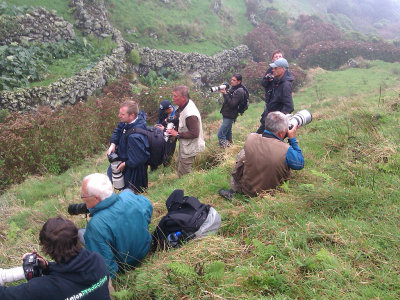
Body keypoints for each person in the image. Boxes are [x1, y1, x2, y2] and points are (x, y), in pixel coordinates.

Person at [0, 217, 111, 300]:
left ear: (46, 249)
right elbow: (72, 275)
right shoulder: (97, 260)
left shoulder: (42, 288)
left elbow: (4, 295)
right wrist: (47, 266)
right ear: (77, 238)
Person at [79, 173, 153, 278]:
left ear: (96, 198)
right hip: (146, 248)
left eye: (84, 197)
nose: (83, 199)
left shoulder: (96, 225)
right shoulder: (128, 196)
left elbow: (106, 268)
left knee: (80, 233)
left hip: (127, 264)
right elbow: (148, 207)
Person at [219, 111, 304, 199]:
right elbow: (300, 164)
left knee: (243, 153)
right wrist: (292, 139)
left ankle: (234, 189)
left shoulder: (251, 138)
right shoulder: (286, 150)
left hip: (247, 189)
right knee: (285, 159)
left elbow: (267, 142)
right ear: (282, 132)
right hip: (271, 194)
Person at [106, 100, 150, 193]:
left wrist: (125, 164)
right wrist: (113, 144)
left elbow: (141, 157)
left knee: (130, 192)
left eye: (122, 114)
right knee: (110, 177)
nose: (119, 115)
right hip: (123, 159)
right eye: (119, 113)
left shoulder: (134, 136)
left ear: (132, 115)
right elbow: (118, 129)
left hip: (133, 171)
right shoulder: (127, 122)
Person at [166, 86, 205, 177]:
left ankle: (186, 188)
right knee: (181, 168)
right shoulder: (185, 104)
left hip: (190, 147)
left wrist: (177, 134)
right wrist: (172, 120)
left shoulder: (190, 114)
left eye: (175, 96)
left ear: (183, 98)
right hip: (186, 145)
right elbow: (180, 115)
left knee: (184, 174)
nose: (173, 98)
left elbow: (195, 133)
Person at [256, 57, 294, 134]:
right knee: (258, 138)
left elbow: (289, 106)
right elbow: (264, 85)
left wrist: (278, 120)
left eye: (275, 68)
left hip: (275, 123)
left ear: (283, 69)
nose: (272, 70)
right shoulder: (276, 80)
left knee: (261, 140)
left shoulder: (285, 85)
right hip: (269, 117)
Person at [217, 73, 246, 148]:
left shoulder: (240, 91)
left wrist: (225, 94)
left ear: (239, 81)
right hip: (226, 114)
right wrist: (225, 93)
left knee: (220, 134)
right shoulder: (233, 88)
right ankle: (230, 148)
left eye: (234, 80)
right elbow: (229, 100)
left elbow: (232, 104)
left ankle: (224, 152)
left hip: (230, 115)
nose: (231, 81)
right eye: (231, 79)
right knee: (227, 133)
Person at [155, 99, 177, 166]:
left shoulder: (177, 114)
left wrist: (164, 129)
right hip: (161, 135)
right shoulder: (163, 112)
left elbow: (176, 131)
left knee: (168, 154)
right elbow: (159, 121)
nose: (163, 112)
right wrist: (158, 125)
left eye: (164, 110)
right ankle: (155, 165)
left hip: (171, 137)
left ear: (169, 109)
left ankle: (166, 166)